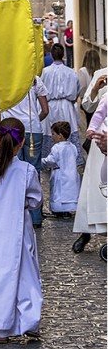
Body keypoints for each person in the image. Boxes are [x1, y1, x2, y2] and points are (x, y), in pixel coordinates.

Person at [0, 118, 43, 343]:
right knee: (25, 274)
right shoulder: (27, 170)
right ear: (22, 142)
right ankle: (28, 319)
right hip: (19, 230)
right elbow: (35, 200)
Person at [2, 76, 48, 228]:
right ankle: (35, 217)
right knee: (34, 171)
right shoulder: (34, 79)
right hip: (32, 129)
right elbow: (45, 110)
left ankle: (16, 215)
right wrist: (33, 120)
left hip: (10, 128)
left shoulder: (3, 77)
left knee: (13, 172)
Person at [72, 70, 107, 254]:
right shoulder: (101, 73)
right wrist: (95, 88)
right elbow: (87, 104)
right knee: (92, 189)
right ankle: (85, 233)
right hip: (100, 139)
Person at [41, 43, 83, 165]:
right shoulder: (71, 72)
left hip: (51, 106)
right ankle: (69, 159)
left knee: (51, 132)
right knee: (66, 131)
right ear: (63, 55)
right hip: (67, 106)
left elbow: (41, 90)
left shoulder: (45, 72)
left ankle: (51, 161)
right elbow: (76, 90)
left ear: (52, 56)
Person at [41, 121, 80, 217]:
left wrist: (41, 161)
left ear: (60, 136)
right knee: (70, 193)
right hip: (72, 174)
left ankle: (59, 210)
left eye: (53, 134)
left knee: (58, 193)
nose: (52, 136)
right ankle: (68, 209)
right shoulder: (73, 147)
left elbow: (51, 160)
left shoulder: (56, 148)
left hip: (60, 174)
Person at [77, 49, 102, 126]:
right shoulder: (101, 70)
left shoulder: (82, 71)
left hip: (87, 100)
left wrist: (81, 97)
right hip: (98, 100)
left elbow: (82, 86)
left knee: (89, 121)